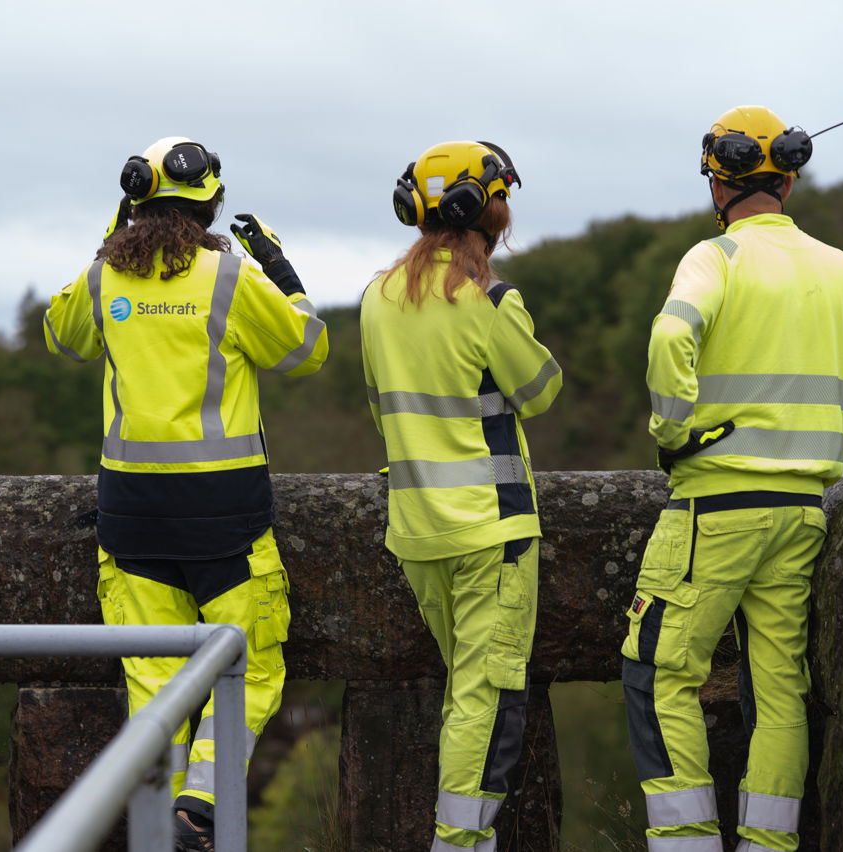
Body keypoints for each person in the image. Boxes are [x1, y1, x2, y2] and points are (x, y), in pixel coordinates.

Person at [43, 136, 328, 851]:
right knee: (253, 665)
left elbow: (62, 336)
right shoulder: (228, 276)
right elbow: (306, 349)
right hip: (225, 516)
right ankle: (197, 808)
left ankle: (160, 818)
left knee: (152, 677)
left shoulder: (105, 280)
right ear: (212, 204)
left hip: (133, 513)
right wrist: (282, 269)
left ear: (131, 203)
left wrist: (110, 241)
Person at [619, 105, 843, 852]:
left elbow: (672, 334)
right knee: (780, 693)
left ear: (718, 183)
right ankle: (770, 846)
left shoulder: (716, 258)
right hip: (802, 509)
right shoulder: (842, 268)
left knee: (657, 671)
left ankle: (687, 843)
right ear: (789, 179)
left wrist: (674, 430)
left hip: (717, 505)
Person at [360, 140, 562, 851]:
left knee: (463, 691)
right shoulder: (488, 299)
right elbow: (540, 392)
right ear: (485, 208)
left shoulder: (376, 298)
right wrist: (509, 313)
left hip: (417, 531)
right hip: (491, 531)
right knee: (487, 696)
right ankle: (459, 841)